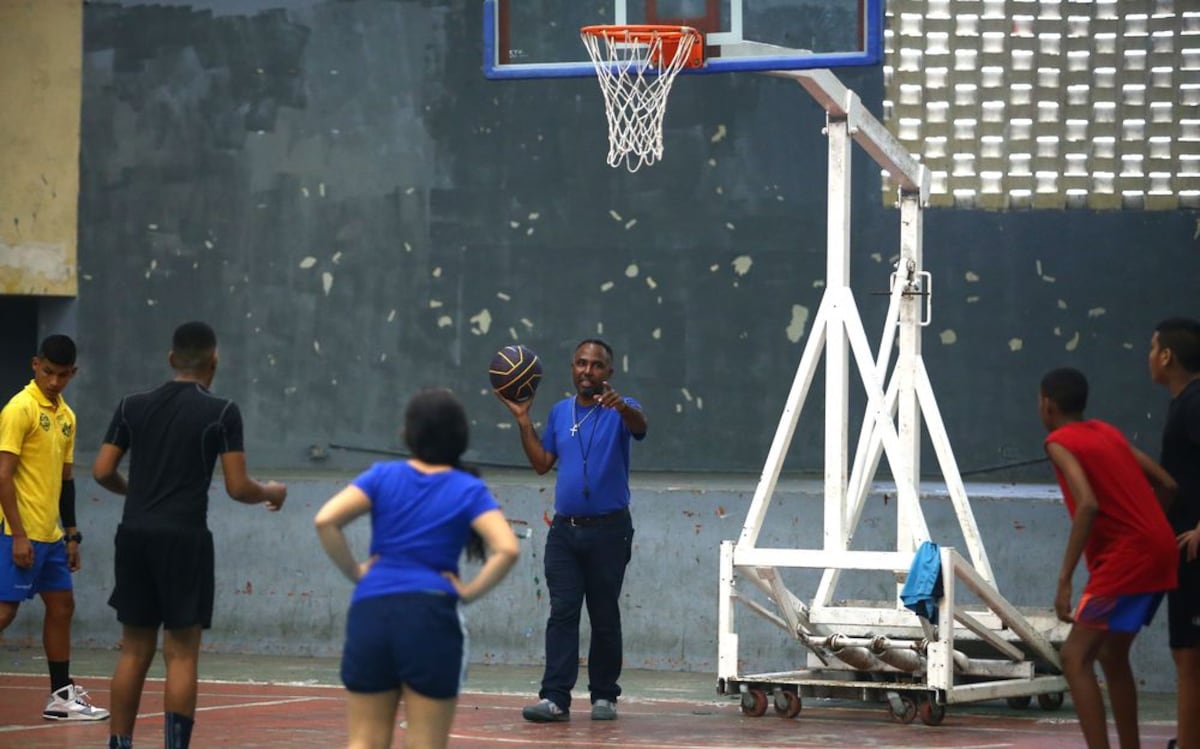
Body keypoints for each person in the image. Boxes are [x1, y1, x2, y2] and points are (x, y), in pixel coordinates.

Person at [91, 321, 287, 749]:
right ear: (214, 362)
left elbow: (102, 470)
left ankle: (119, 744)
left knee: (133, 650)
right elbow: (238, 487)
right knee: (180, 653)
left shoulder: (131, 406)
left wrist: (136, 492)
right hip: (184, 539)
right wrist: (272, 491)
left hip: (134, 535)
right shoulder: (222, 411)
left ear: (171, 358)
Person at [315, 387, 519, 749]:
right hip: (430, 614)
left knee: (364, 741)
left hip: (372, 611)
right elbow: (507, 548)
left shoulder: (381, 476)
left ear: (407, 434)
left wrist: (357, 572)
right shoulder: (467, 488)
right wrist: (467, 592)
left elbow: (325, 520)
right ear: (461, 437)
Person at [497, 338, 647, 723]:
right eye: (581, 363)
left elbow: (640, 426)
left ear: (608, 372)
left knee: (604, 615)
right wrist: (523, 419)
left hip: (609, 531)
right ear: (572, 368)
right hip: (565, 532)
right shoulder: (560, 412)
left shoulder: (621, 408)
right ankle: (555, 698)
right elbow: (541, 463)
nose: (587, 371)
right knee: (562, 612)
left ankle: (604, 696)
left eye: (596, 365)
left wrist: (622, 407)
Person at [1038, 367, 1178, 749]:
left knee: (1074, 657)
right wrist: (1149, 528)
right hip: (1161, 550)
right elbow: (1167, 483)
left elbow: (1087, 504)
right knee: (1113, 654)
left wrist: (1064, 580)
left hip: (1127, 559)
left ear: (1047, 405)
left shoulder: (1058, 442)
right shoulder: (1107, 431)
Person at [0, 334, 109, 721]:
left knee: (62, 607)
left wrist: (72, 534)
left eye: (62, 375)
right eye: (48, 372)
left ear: (73, 373)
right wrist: (19, 534)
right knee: (4, 612)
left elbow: (66, 481)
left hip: (51, 535)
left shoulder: (67, 417)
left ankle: (61, 697)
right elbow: (3, 476)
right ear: (35, 364)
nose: (54, 381)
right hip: (16, 532)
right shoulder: (20, 408)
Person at [1149, 317, 1200, 749]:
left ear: (1167, 356)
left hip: (1193, 549)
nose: (1148, 356)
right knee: (1187, 653)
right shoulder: (1182, 403)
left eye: (1152, 348)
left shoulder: (1195, 403)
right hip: (1179, 548)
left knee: (1190, 655)